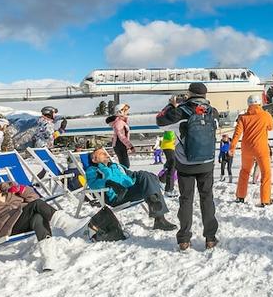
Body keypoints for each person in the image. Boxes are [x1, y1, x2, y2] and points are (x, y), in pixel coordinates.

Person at [0, 177, 93, 271]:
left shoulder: (9, 192)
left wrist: (21, 190)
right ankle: (67, 224)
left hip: (22, 220)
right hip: (6, 228)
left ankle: (49, 258)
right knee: (36, 206)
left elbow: (34, 198)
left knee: (37, 216)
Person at [157, 82, 219, 251]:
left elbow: (160, 120)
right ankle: (210, 238)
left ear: (189, 93)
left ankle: (184, 239)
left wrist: (171, 104)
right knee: (207, 198)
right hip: (206, 162)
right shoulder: (213, 111)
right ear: (205, 95)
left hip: (185, 164)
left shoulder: (181, 110)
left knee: (186, 200)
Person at [84, 147, 176, 231]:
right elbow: (93, 184)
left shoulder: (115, 166)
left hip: (129, 189)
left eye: (106, 153)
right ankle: (158, 215)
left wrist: (149, 177)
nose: (106, 154)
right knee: (149, 183)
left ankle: (153, 201)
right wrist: (108, 183)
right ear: (94, 160)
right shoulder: (93, 170)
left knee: (145, 175)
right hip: (117, 195)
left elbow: (131, 175)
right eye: (102, 154)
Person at [231, 94, 273, 206]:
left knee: (244, 171)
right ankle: (265, 200)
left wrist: (232, 147)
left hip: (246, 149)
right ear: (259, 103)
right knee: (266, 173)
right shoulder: (266, 115)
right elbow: (271, 127)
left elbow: (237, 134)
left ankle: (240, 197)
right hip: (261, 148)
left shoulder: (243, 117)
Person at [110, 103, 134, 168]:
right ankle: (124, 177)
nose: (127, 112)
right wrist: (130, 146)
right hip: (119, 144)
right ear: (120, 112)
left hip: (121, 145)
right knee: (125, 165)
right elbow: (121, 136)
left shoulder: (121, 122)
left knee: (125, 165)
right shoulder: (119, 123)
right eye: (125, 110)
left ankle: (124, 176)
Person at [160, 130, 177, 194]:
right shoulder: (171, 125)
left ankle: (162, 179)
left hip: (169, 146)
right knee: (173, 166)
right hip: (169, 146)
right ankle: (169, 189)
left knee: (171, 165)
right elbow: (170, 135)